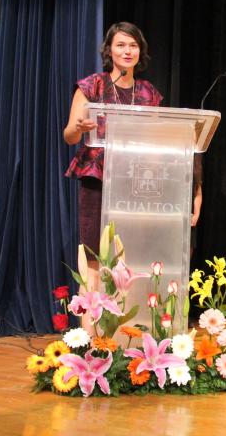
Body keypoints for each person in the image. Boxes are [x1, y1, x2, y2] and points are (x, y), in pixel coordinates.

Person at [63, 22, 164, 291]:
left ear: (140, 51)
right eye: (121, 45)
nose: (127, 51)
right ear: (109, 50)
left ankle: (124, 326)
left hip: (135, 182)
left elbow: (157, 138)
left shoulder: (148, 92)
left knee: (128, 254)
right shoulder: (92, 84)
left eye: (133, 45)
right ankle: (90, 329)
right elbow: (70, 135)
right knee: (94, 254)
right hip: (97, 178)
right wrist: (79, 127)